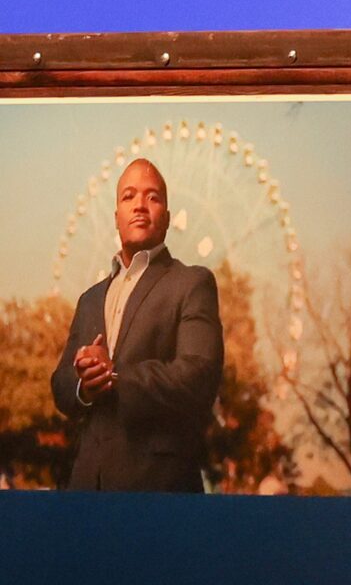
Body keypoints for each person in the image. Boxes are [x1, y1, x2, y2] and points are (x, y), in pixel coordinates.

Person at [50, 159, 222, 493]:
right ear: (116, 217)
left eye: (153, 197)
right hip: (86, 487)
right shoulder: (90, 299)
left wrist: (115, 377)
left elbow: (199, 376)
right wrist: (85, 385)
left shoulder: (191, 283)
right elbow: (60, 385)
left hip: (158, 488)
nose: (140, 206)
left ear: (168, 218)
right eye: (128, 196)